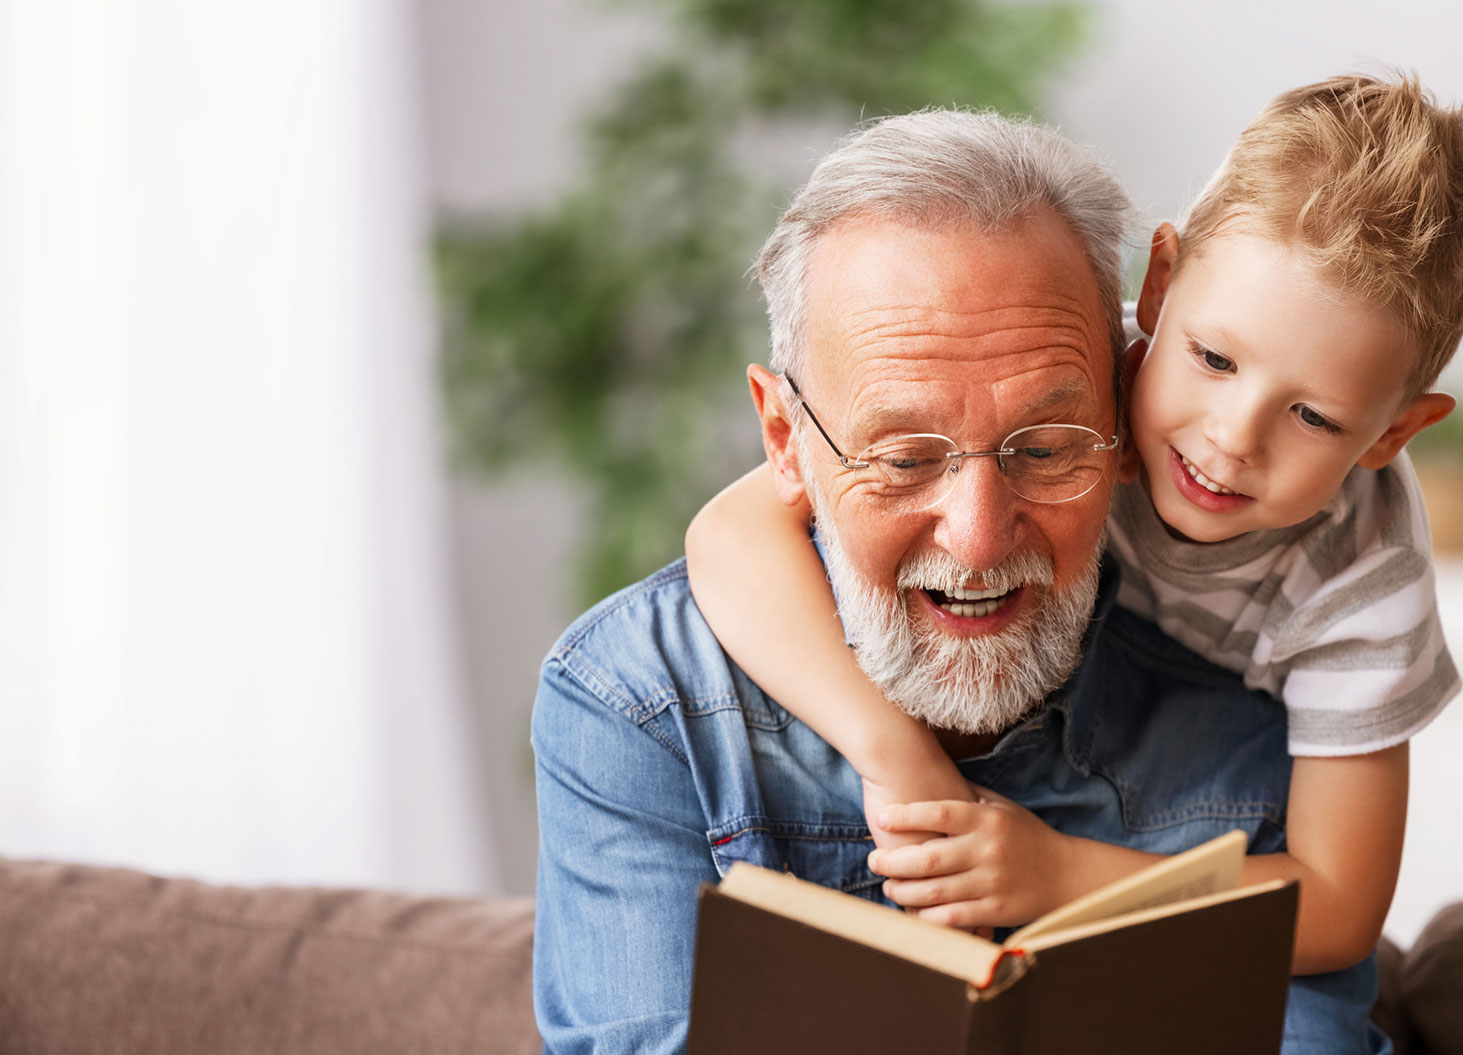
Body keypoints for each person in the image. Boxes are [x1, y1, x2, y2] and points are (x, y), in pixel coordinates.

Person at [534, 109, 1392, 1055]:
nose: (978, 540)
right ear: (786, 441)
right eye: (904, 457)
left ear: (1120, 414)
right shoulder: (637, 701)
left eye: (1047, 447)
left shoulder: (1265, 698)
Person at [686, 73, 1463, 976]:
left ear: (1394, 431)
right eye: (1212, 357)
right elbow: (729, 536)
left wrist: (1063, 876)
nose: (1229, 439)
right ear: (1158, 289)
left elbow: (1337, 907)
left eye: (1312, 416)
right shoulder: (1057, 388)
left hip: (1172, 800)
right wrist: (899, 758)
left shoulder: (1362, 579)